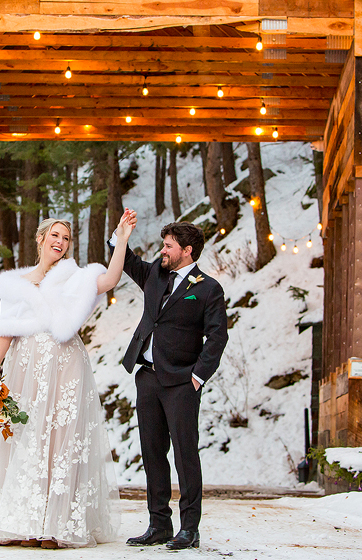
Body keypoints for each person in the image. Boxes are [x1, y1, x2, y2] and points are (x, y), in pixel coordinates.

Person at [0, 213, 135, 548]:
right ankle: (25, 523)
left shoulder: (73, 277)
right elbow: (4, 329)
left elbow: (109, 280)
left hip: (66, 364)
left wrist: (122, 240)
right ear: (41, 238)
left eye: (66, 238)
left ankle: (57, 525)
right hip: (27, 367)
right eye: (55, 236)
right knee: (28, 437)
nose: (60, 242)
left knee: (62, 438)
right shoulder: (17, 284)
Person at [109, 215, 228, 550]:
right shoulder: (155, 275)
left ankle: (190, 528)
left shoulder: (207, 288)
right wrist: (121, 234)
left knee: (185, 455)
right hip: (147, 377)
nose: (163, 250)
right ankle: (159, 524)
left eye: (168, 246)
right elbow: (127, 260)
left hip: (181, 382)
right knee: (152, 453)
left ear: (186, 251)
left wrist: (197, 376)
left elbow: (217, 338)